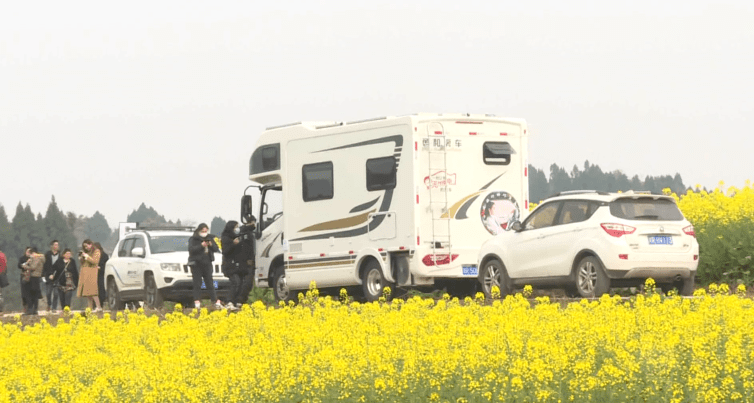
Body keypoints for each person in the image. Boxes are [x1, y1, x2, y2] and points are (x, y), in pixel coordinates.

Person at [188, 223, 222, 310]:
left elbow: (216, 248)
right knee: (197, 283)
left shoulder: (210, 238)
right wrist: (201, 245)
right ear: (199, 231)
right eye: (202, 231)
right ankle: (197, 302)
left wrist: (210, 244)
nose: (204, 232)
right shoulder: (193, 239)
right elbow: (191, 250)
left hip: (207, 263)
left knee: (210, 283)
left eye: (206, 231)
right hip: (197, 264)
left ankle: (215, 301)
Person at [77, 239, 102, 312]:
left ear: (91, 244)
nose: (86, 248)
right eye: (84, 247)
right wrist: (81, 257)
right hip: (85, 273)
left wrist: (87, 257)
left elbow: (95, 261)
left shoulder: (96, 251)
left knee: (93, 291)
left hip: (92, 272)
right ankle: (90, 308)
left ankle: (98, 306)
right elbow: (83, 263)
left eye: (86, 246)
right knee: (88, 293)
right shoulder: (86, 252)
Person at [21, 247, 45, 315]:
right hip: (36, 277)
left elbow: (33, 267)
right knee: (34, 294)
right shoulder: (40, 258)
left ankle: (32, 309)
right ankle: (34, 309)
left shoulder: (36, 258)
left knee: (32, 293)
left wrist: (25, 266)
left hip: (34, 277)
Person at [42, 240, 61, 313]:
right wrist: (45, 275)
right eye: (55, 245)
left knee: (56, 293)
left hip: (57, 276)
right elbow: (45, 265)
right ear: (52, 246)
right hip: (48, 276)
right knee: (48, 292)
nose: (56, 246)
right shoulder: (47, 254)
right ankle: (49, 304)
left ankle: (54, 308)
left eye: (57, 245)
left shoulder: (60, 255)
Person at [17, 247, 31, 311]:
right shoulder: (22, 258)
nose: (29, 253)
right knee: (24, 292)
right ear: (25, 252)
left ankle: (31, 307)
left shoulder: (33, 258)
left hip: (31, 276)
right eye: (28, 251)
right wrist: (26, 263)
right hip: (23, 276)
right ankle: (25, 306)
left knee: (30, 292)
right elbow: (19, 265)